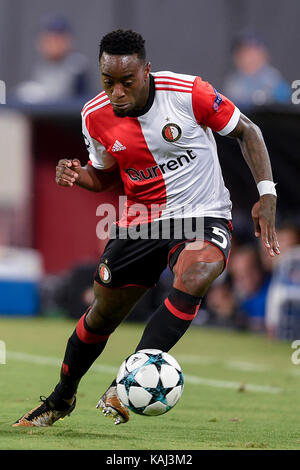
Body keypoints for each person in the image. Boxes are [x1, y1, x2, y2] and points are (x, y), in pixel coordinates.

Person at [14, 29, 280, 427]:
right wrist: (77, 175)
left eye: (127, 82)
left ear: (147, 71)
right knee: (102, 315)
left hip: (203, 214)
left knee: (199, 271)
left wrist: (267, 194)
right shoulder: (94, 115)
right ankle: (60, 398)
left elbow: (249, 132)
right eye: (108, 82)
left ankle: (124, 386)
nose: (117, 92)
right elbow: (104, 177)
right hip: (141, 222)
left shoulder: (189, 93)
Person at [14, 14, 90, 103]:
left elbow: (73, 101)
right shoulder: (39, 65)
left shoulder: (77, 66)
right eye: (48, 40)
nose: (53, 45)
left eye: (57, 40)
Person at [223, 31, 290, 108]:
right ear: (237, 58)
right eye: (245, 54)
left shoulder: (274, 79)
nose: (251, 58)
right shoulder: (233, 83)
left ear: (264, 55)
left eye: (255, 53)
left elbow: (285, 108)